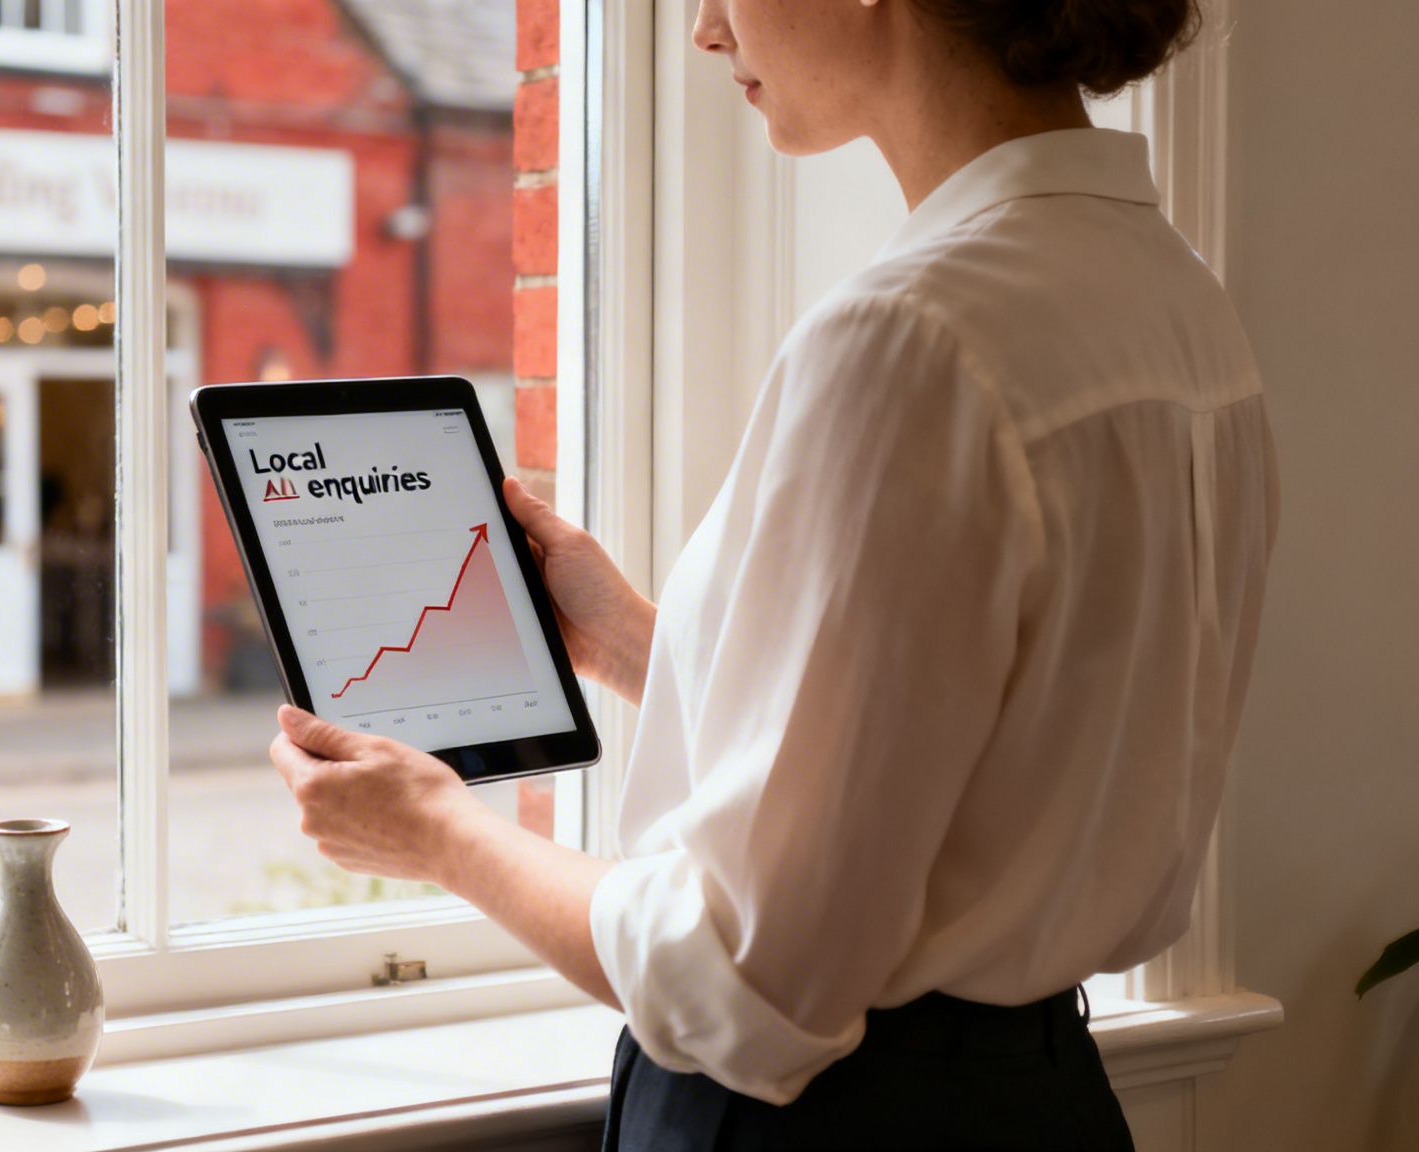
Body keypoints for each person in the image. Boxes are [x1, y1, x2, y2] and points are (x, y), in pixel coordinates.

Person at [267, 0, 1278, 1146]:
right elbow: (983, 734)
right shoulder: (1172, 297)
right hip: (1040, 1104)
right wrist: (636, 643)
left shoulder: (908, 338)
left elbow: (744, 976)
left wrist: (435, 830)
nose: (703, 30)